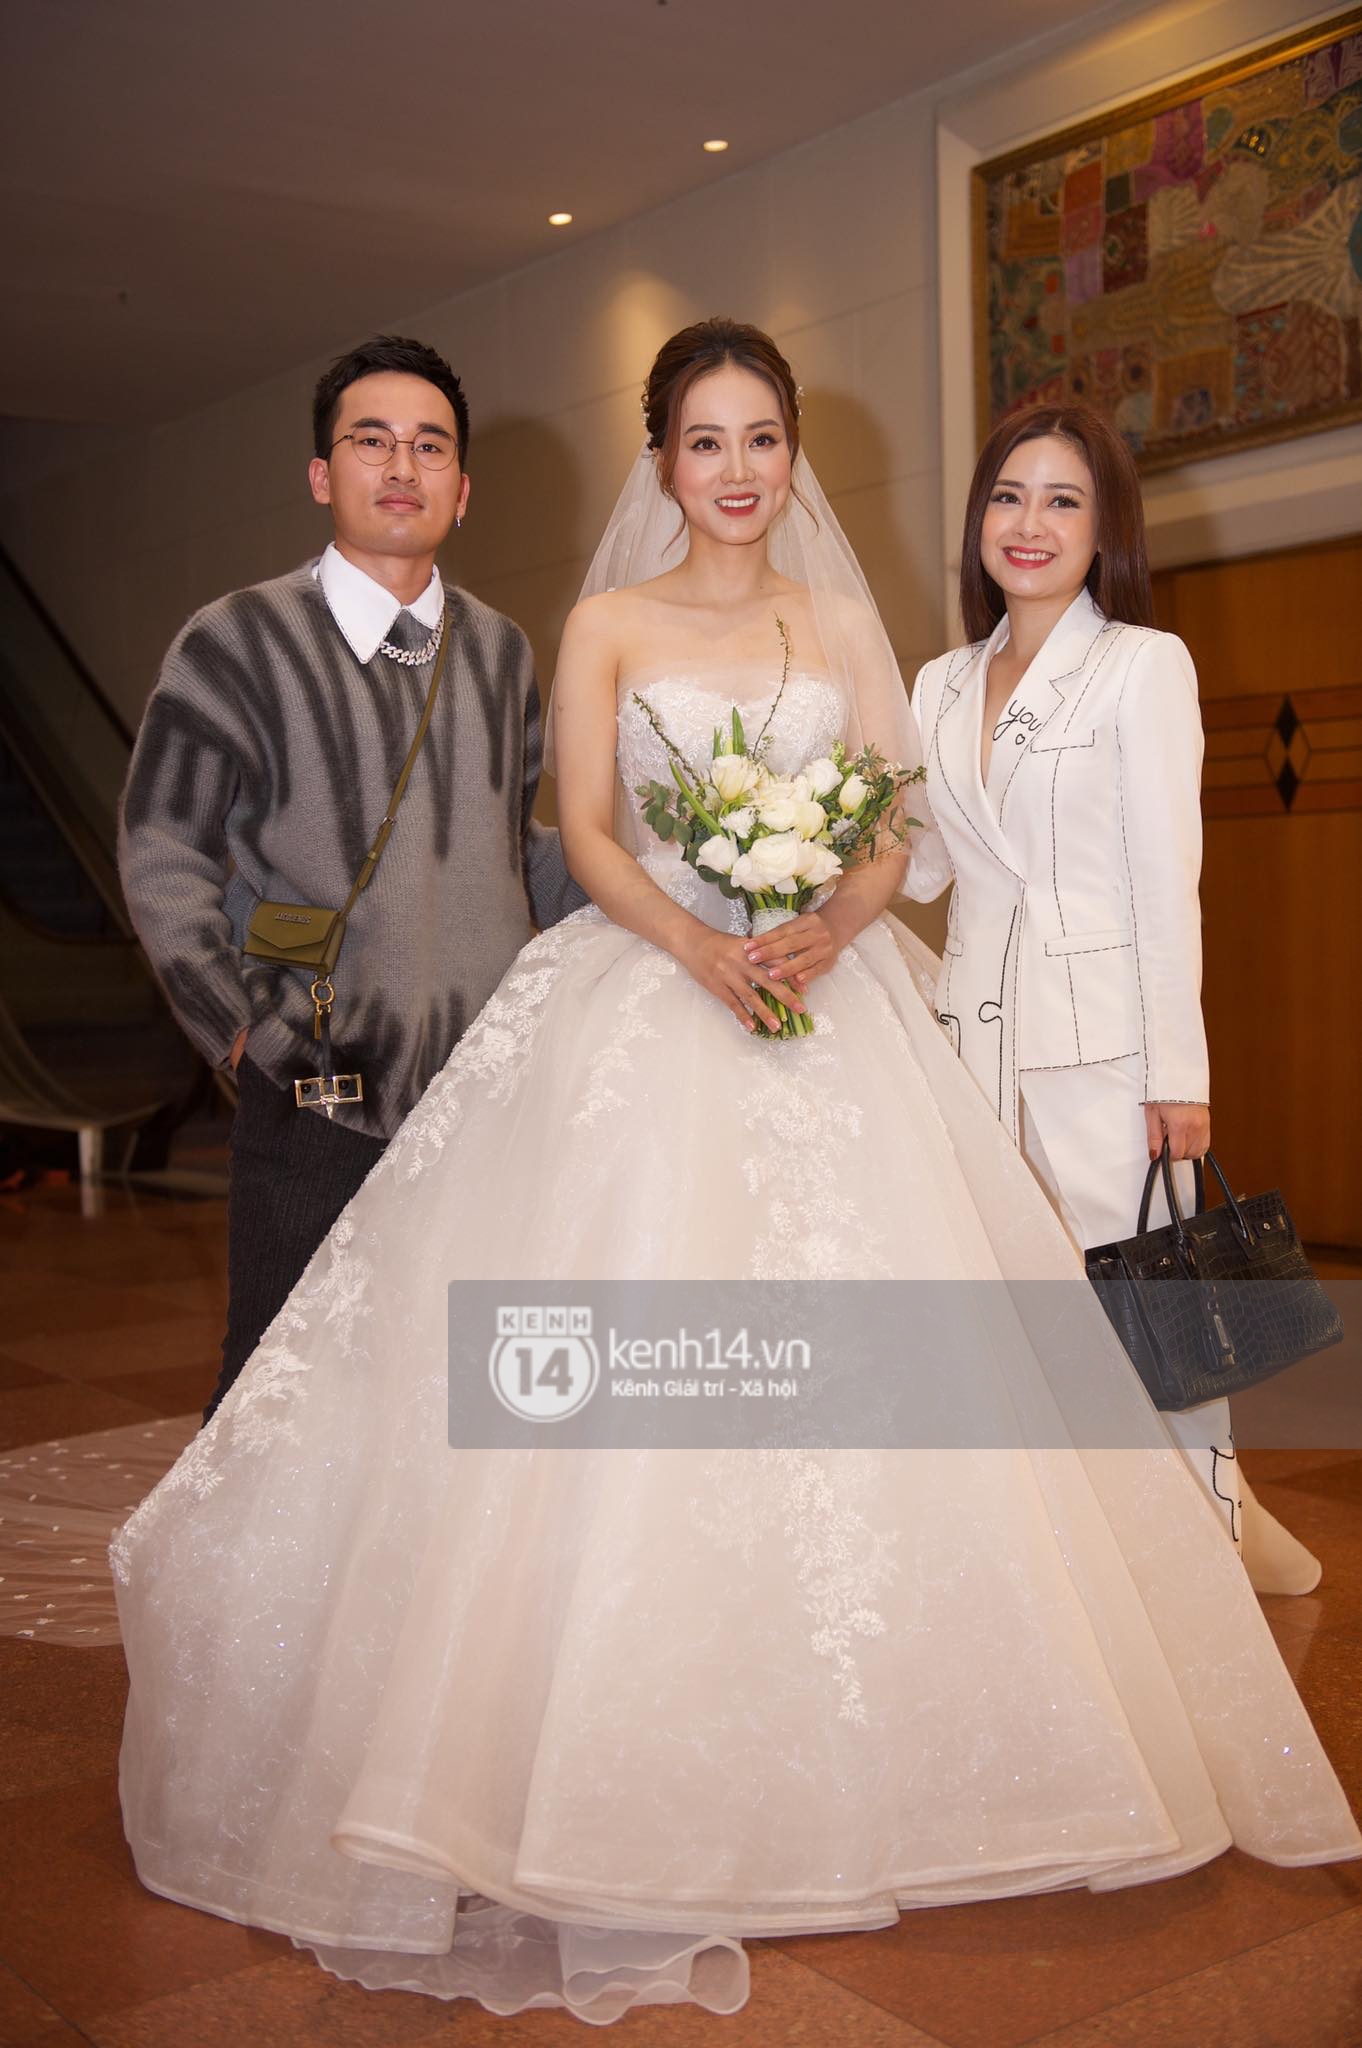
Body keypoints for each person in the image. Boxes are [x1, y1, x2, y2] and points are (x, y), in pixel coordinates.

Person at [112, 322, 1359, 2026]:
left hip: (836, 1003)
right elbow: (586, 832)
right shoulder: (602, 623)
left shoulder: (847, 626)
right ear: (661, 461)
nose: (737, 469)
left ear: (789, 454)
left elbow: (888, 829)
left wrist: (828, 923)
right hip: (649, 995)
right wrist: (703, 942)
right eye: (702, 441)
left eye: (760, 436)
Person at [118, 335, 584, 1420]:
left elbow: (514, 845)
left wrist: (663, 889)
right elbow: (161, 847)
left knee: (457, 1392)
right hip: (314, 1073)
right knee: (277, 1393)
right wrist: (241, 1030)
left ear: (463, 491)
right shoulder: (235, 639)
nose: (401, 467)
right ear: (323, 475)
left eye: (430, 447)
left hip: (480, 1090)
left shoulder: (504, 652)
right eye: (371, 441)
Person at [903, 403, 1320, 1597]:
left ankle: (1208, 1542)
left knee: (1154, 1310)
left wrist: (1178, 1076)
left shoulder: (1141, 663)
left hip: (1102, 1051)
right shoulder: (938, 682)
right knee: (1015, 1311)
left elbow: (1162, 880)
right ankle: (1074, 1565)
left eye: (1062, 501)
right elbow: (928, 863)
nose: (1028, 524)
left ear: (1103, 531)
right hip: (969, 1039)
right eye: (1007, 496)